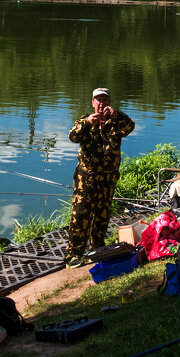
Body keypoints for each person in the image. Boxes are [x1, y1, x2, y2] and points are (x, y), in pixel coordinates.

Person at [65, 88, 135, 267]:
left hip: (108, 178)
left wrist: (117, 115)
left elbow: (130, 126)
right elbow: (73, 136)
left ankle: (97, 248)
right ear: (92, 103)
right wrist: (88, 122)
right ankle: (73, 255)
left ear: (109, 102)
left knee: (103, 215)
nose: (101, 103)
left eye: (105, 100)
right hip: (86, 178)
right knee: (81, 215)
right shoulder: (84, 121)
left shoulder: (116, 122)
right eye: (98, 100)